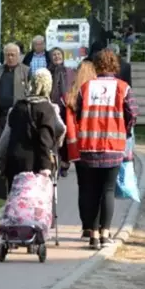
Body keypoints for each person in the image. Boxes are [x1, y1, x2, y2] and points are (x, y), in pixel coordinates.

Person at [76, 49, 138, 249]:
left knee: (92, 190)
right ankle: (105, 233)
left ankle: (92, 234)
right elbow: (133, 113)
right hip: (113, 146)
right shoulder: (123, 87)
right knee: (108, 190)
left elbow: (78, 112)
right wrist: (124, 130)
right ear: (114, 66)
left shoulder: (85, 87)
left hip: (88, 145)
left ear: (96, 66)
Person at [0, 68, 64, 180]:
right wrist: (46, 165)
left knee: (16, 195)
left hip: (15, 162)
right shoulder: (48, 108)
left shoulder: (17, 107)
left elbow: (5, 138)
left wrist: (0, 162)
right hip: (38, 164)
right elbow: (49, 136)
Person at [63, 60, 97, 237]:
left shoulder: (71, 94)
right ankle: (96, 225)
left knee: (83, 187)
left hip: (77, 146)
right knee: (96, 187)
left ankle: (86, 226)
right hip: (94, 143)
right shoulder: (94, 93)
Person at [0, 43, 31, 153]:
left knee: (15, 145)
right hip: (0, 116)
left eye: (13, 55)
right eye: (7, 55)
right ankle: (0, 168)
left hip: (18, 115)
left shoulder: (26, 71)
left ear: (18, 56)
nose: (10, 58)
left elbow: (31, 93)